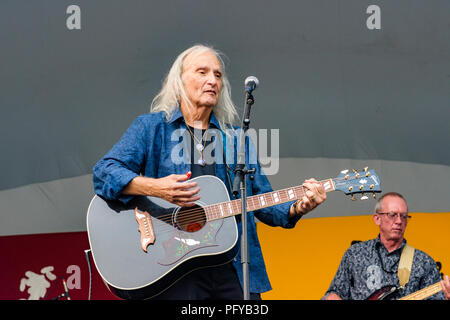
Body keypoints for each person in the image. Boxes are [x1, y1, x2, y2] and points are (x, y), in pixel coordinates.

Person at [92, 44, 327, 299]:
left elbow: (263, 202)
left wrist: (298, 207)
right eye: (202, 72)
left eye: (217, 75)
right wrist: (155, 187)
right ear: (179, 81)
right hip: (173, 271)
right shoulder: (152, 128)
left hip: (232, 267)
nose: (212, 80)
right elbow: (104, 172)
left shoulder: (236, 139)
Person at [323, 192, 450, 300]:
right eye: (392, 215)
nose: (399, 221)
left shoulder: (424, 262)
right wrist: (332, 296)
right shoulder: (355, 254)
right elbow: (334, 293)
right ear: (377, 219)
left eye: (404, 216)